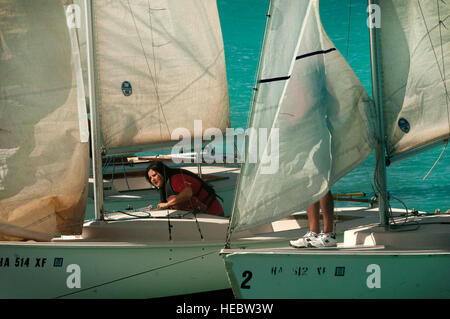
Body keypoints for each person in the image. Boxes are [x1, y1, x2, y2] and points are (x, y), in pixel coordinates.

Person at [145, 162, 224, 216]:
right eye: (150, 178)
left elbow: (187, 193)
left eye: (154, 175)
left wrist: (167, 204)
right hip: (199, 217)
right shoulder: (165, 185)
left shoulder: (176, 179)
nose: (152, 179)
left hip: (213, 215)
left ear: (162, 172)